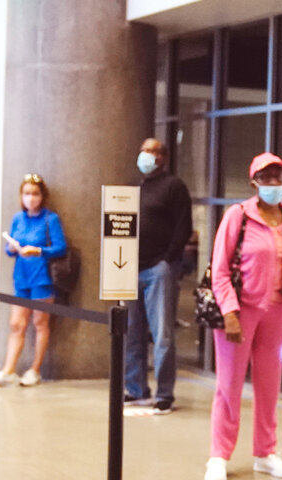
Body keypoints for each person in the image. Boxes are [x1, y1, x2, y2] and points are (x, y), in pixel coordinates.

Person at [203, 153, 282, 480]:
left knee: (269, 386)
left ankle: (266, 452)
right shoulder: (239, 216)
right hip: (240, 312)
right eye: (267, 178)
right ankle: (218, 457)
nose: (274, 183)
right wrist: (231, 313)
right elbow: (219, 272)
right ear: (254, 183)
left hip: (278, 312)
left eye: (278, 177)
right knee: (229, 386)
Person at [124, 138, 192, 414]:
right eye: (143, 150)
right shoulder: (137, 188)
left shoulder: (174, 186)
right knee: (132, 333)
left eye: (152, 151)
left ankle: (165, 393)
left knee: (162, 334)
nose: (146, 155)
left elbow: (183, 226)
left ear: (162, 157)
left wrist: (168, 259)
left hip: (158, 269)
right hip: (130, 268)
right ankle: (136, 389)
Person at [0, 173, 67, 388]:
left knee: (40, 323)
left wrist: (39, 250)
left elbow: (60, 247)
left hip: (42, 277)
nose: (30, 198)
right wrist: (12, 248)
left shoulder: (51, 219)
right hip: (21, 277)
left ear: (42, 196)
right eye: (26, 194)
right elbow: (9, 249)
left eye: (35, 194)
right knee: (16, 324)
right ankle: (8, 370)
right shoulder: (18, 219)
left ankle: (35, 369)